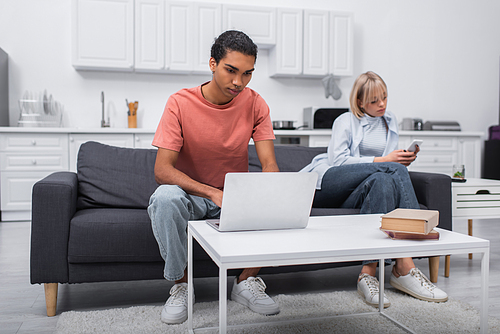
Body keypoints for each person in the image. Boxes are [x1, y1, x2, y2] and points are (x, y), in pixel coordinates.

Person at [147, 30, 280, 324]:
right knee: (164, 198)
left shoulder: (256, 103)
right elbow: (162, 171)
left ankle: (245, 282)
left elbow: (269, 163)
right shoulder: (179, 103)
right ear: (212, 64)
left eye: (247, 74)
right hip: (193, 197)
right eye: (230, 70)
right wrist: (211, 192)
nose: (238, 82)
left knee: (278, 200)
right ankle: (182, 285)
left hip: (236, 197)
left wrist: (273, 192)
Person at [300, 71, 448, 308]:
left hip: (361, 186)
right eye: (373, 101)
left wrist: (398, 160)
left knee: (384, 181)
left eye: (384, 98)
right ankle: (406, 264)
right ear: (359, 102)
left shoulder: (389, 121)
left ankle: (367, 273)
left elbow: (384, 170)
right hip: (329, 180)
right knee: (389, 170)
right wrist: (385, 161)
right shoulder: (345, 121)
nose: (381, 105)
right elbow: (337, 161)